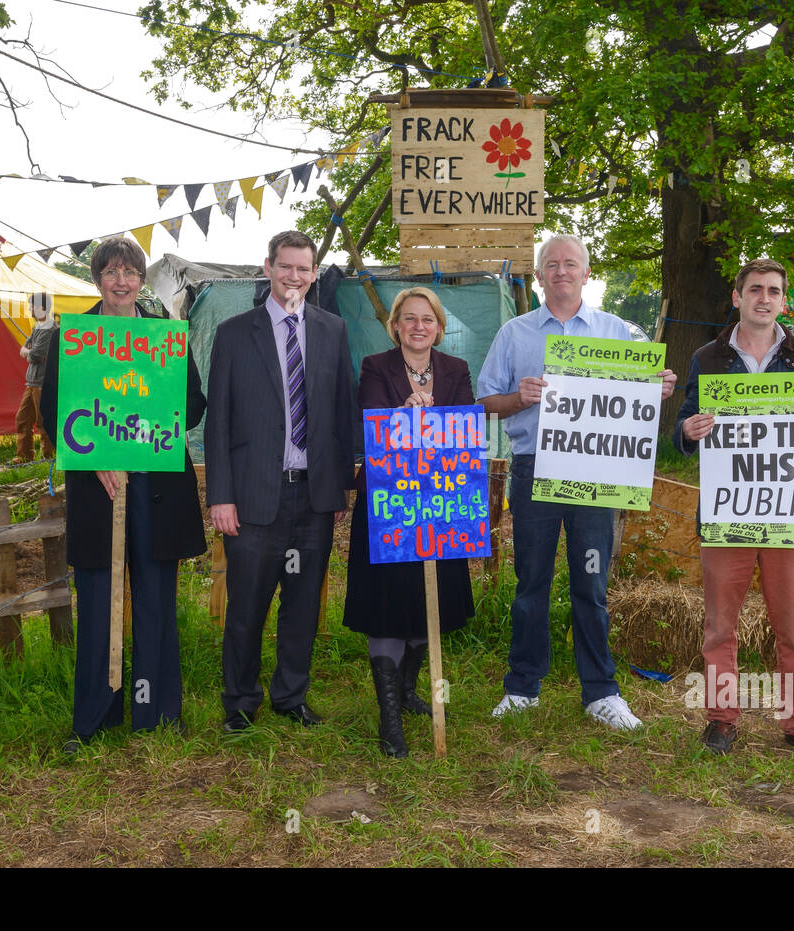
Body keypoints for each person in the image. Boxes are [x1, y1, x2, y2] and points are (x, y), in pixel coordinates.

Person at [476, 234, 676, 730]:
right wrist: (517, 397)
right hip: (533, 469)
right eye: (551, 265)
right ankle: (522, 687)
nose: (561, 271)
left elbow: (640, 398)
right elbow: (484, 404)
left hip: (596, 476)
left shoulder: (619, 332)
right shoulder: (514, 334)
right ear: (539, 276)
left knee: (592, 583)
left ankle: (601, 692)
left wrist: (660, 386)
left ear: (587, 274)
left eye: (571, 264)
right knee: (531, 583)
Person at [673, 257, 794, 764]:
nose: (764, 298)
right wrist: (687, 431)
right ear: (737, 297)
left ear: (783, 300)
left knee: (791, 625)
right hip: (728, 511)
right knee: (720, 625)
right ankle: (722, 719)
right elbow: (684, 418)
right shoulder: (707, 356)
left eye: (774, 290)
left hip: (790, 512)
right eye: (755, 289)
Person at [40, 237, 206, 754]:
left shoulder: (164, 337)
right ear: (97, 280)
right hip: (100, 490)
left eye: (130, 272)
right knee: (98, 604)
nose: (121, 281)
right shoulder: (74, 337)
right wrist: (96, 459)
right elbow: (53, 412)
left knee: (155, 601)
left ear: (141, 280)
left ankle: (155, 713)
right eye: (111, 272)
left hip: (157, 488)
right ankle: (92, 719)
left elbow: (193, 404)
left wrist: (154, 426)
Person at [205, 229, 357, 732]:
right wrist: (221, 496)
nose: (294, 276)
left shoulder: (333, 330)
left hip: (312, 495)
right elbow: (219, 423)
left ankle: (290, 696)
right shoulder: (232, 333)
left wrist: (336, 488)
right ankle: (241, 702)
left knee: (302, 606)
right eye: (285, 266)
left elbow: (341, 413)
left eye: (303, 268)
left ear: (314, 275)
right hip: (252, 497)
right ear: (267, 267)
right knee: (246, 608)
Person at [344, 287, 476, 758]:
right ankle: (388, 715)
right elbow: (369, 424)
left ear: (439, 327)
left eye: (428, 319)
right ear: (396, 324)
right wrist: (401, 417)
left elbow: (462, 428)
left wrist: (433, 420)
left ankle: (407, 688)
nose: (419, 326)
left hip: (440, 504)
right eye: (410, 319)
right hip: (388, 504)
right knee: (387, 603)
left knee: (429, 600)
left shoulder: (457, 371)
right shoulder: (375, 368)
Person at [15, 292, 57, 463]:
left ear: (42, 307)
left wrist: (29, 352)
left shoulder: (50, 329)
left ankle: (49, 458)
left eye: (32, 305)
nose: (30, 309)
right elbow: (24, 349)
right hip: (31, 382)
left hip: (42, 382)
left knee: (43, 421)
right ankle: (24, 457)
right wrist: (28, 351)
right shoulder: (38, 327)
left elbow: (36, 355)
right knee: (23, 418)